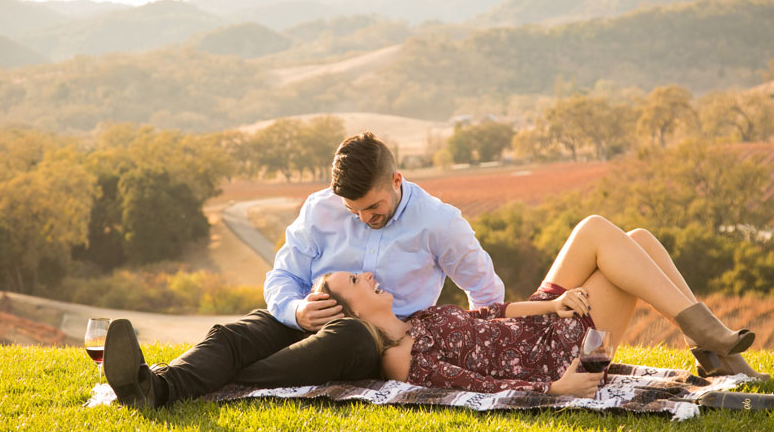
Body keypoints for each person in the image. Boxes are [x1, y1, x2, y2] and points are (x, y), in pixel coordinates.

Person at [103, 132, 505, 408]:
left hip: (377, 340)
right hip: (305, 320)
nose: (364, 218)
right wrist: (296, 311)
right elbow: (281, 277)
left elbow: (487, 295)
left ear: (397, 180)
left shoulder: (440, 223)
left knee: (351, 338)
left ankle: (225, 378)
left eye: (373, 208)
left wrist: (461, 347)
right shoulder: (320, 208)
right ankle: (154, 388)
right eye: (353, 210)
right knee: (233, 335)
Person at [312, 214, 767, 398]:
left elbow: (494, 314)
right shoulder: (398, 358)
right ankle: (709, 342)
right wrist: (556, 390)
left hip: (546, 322)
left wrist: (554, 305)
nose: (367, 274)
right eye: (354, 280)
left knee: (634, 239)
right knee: (626, 245)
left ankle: (708, 344)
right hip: (558, 358)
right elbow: (477, 388)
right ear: (349, 312)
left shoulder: (420, 317)